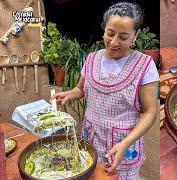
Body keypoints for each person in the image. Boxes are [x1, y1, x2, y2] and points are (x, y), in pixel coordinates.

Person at [52, 2, 159, 179]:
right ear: (104, 30)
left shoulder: (145, 66)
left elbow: (150, 112)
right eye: (110, 33)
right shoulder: (92, 59)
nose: (114, 42)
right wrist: (70, 94)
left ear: (135, 35)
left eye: (123, 37)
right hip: (92, 138)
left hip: (123, 144)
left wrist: (125, 143)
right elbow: (81, 89)